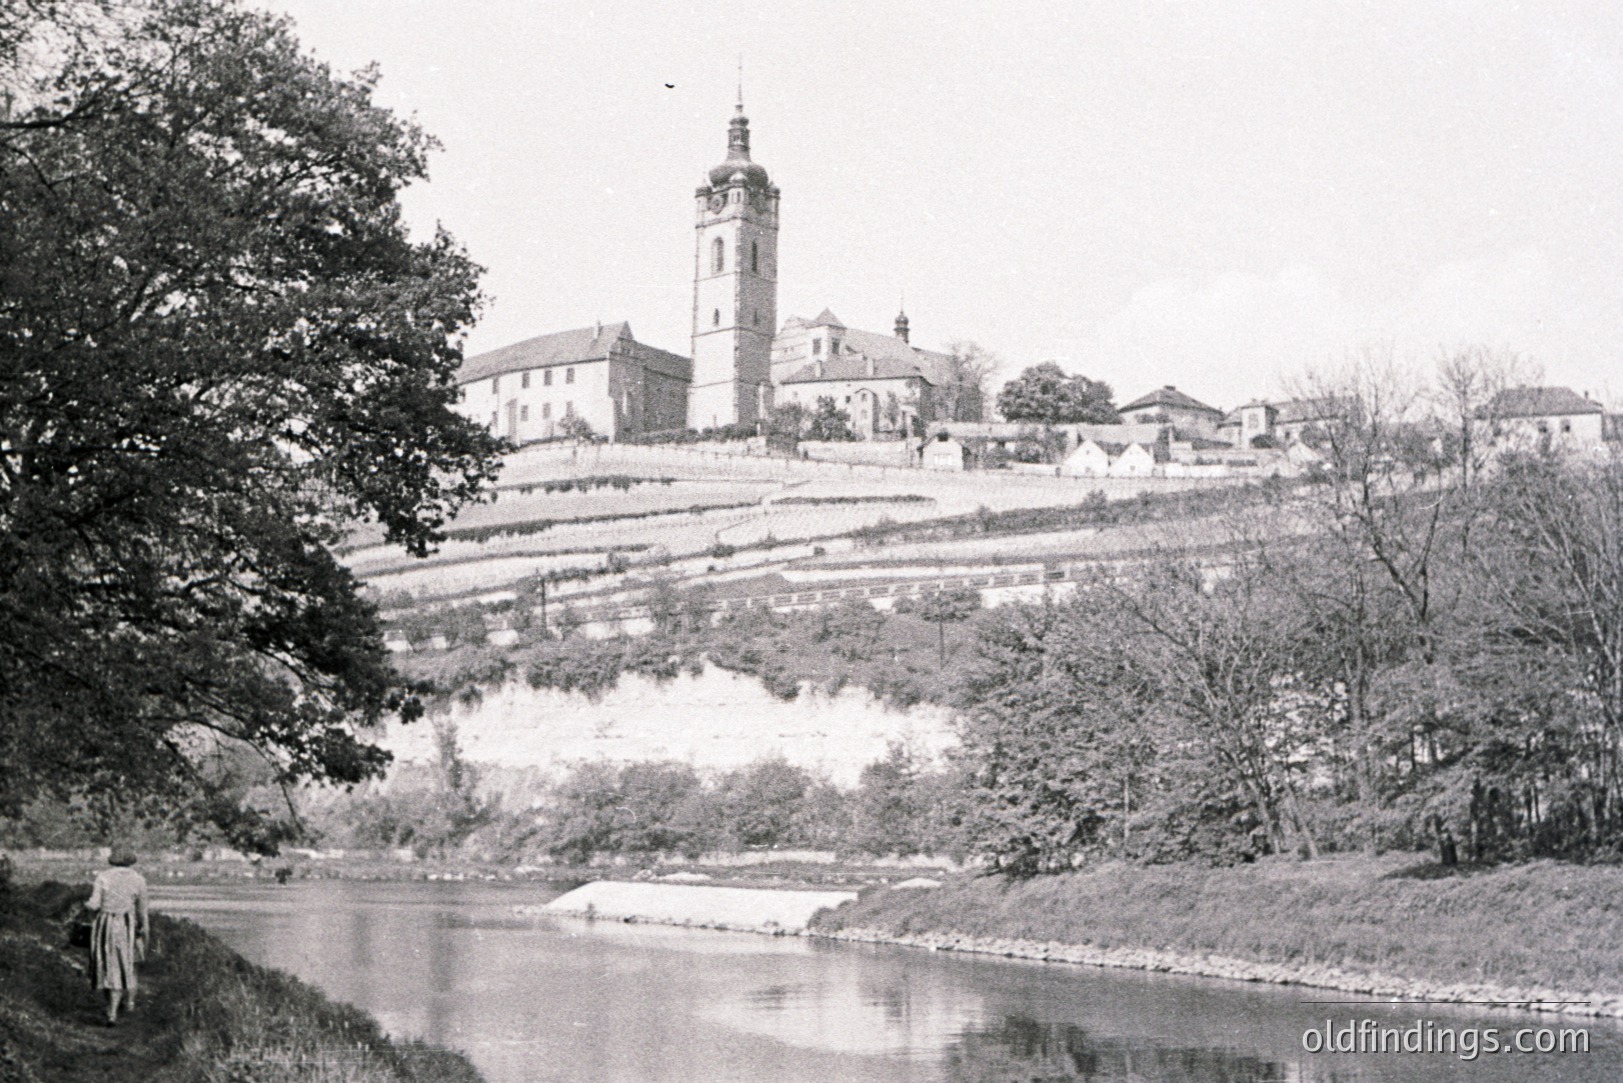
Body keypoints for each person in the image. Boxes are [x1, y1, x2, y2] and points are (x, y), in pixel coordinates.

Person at [85, 848, 149, 1025]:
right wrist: (142, 929)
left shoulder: (103, 877)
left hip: (105, 924)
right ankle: (123, 1005)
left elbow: (94, 903)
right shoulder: (139, 879)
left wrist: (86, 906)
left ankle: (111, 1010)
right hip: (128, 925)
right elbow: (142, 910)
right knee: (126, 964)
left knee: (107, 964)